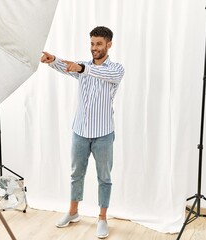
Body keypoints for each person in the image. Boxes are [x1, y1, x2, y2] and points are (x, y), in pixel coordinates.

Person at [40, 26, 124, 239]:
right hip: (80, 132)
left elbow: (91, 71)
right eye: (92, 43)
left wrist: (81, 69)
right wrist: (53, 59)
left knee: (104, 177)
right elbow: (68, 66)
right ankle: (73, 212)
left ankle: (102, 218)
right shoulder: (83, 66)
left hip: (104, 133)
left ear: (109, 45)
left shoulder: (116, 69)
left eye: (99, 44)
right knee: (76, 174)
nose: (94, 48)